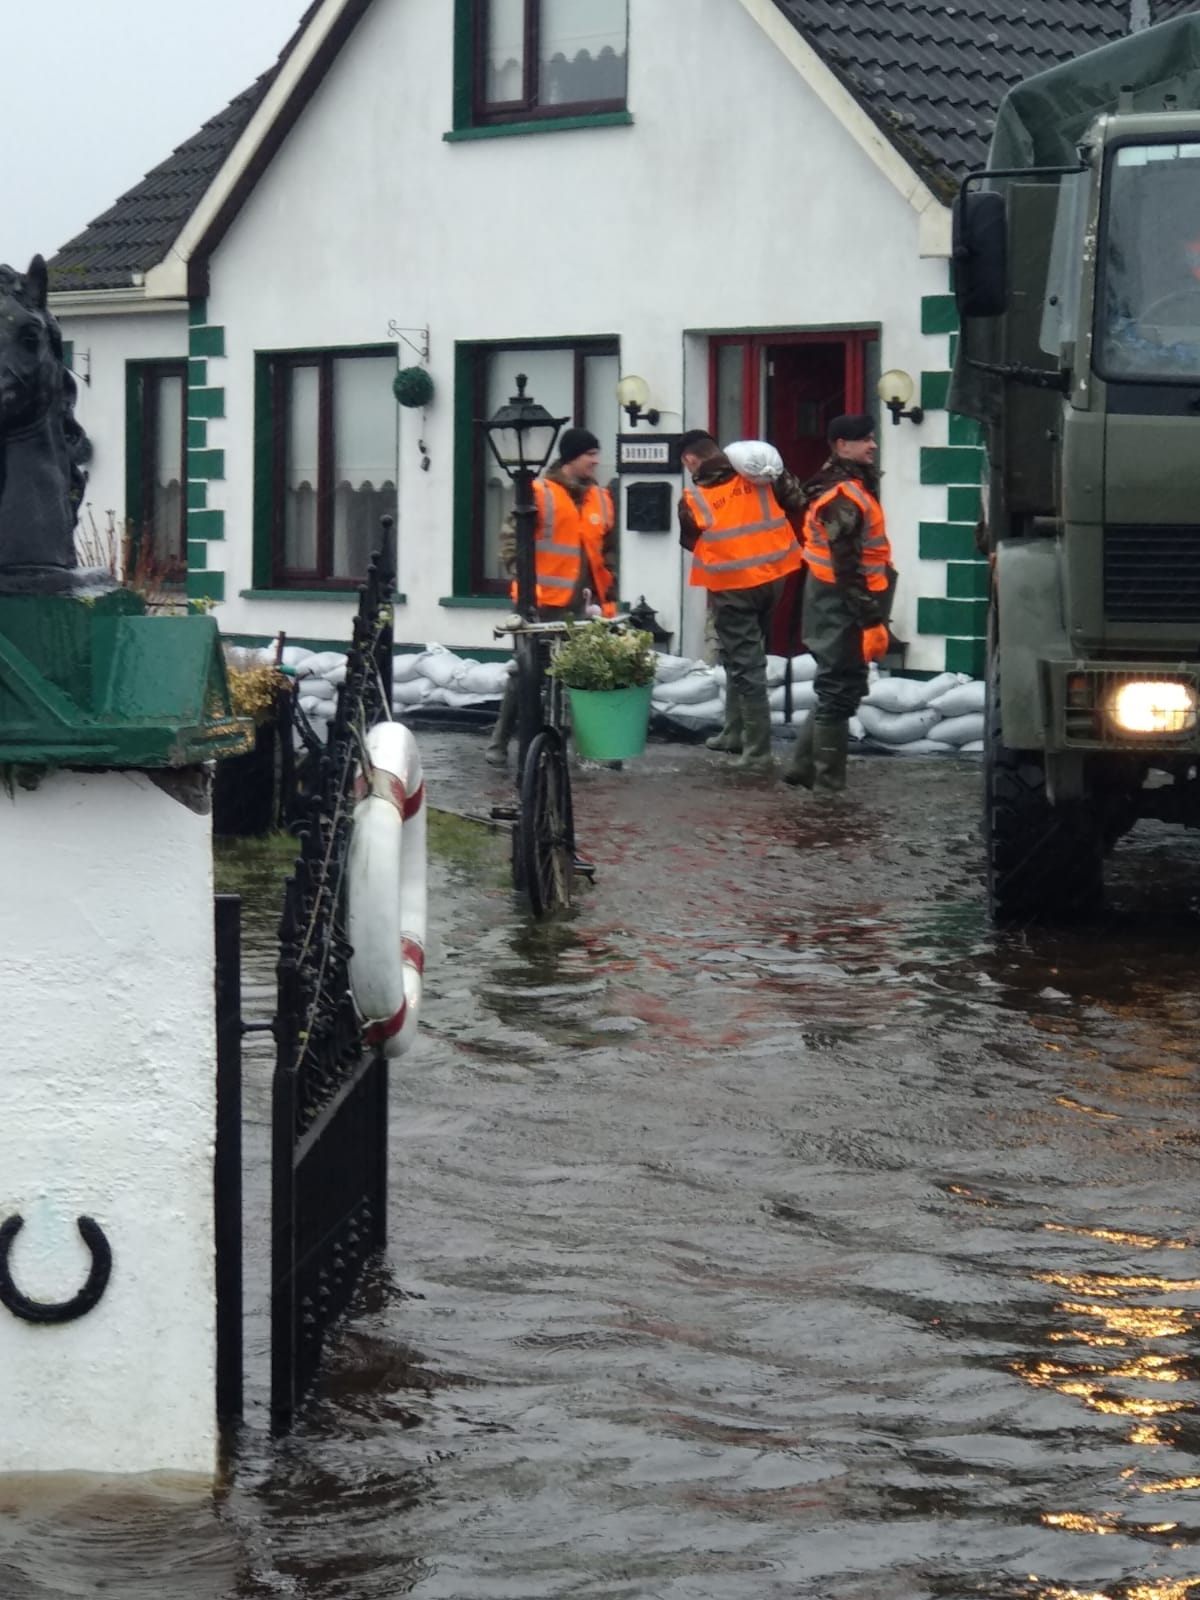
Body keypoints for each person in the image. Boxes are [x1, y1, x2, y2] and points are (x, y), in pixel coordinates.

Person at [485, 427, 617, 766]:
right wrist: (526, 585)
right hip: (541, 603)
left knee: (585, 673)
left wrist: (607, 597)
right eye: (591, 454)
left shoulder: (601, 498)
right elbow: (510, 543)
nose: (597, 461)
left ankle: (588, 748)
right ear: (572, 457)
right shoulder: (538, 493)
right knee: (526, 672)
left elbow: (607, 553)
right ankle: (499, 743)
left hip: (583, 606)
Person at [677, 430, 807, 773]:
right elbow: (797, 501)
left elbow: (692, 543)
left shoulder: (693, 499)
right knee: (743, 654)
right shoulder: (760, 474)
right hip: (775, 577)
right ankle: (734, 732)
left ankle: (758, 749)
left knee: (747, 664)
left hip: (734, 587)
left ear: (690, 460)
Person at [782, 414, 896, 794]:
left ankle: (803, 770)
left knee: (840, 685)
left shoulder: (848, 487)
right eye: (864, 440)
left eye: (871, 438)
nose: (873, 445)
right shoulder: (844, 496)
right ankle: (828, 784)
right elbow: (847, 566)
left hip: (841, 598)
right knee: (837, 687)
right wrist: (870, 621)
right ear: (841, 445)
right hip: (840, 601)